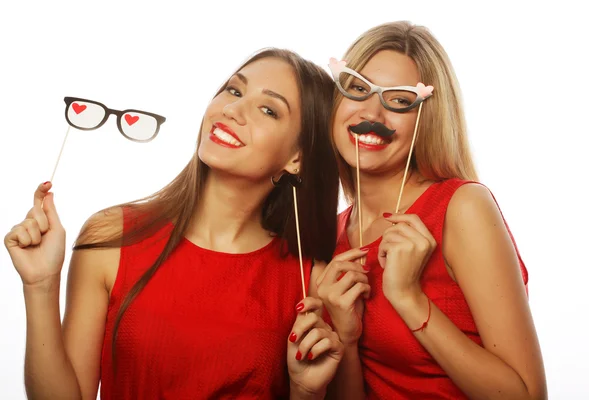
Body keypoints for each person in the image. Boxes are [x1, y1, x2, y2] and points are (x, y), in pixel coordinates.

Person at [5, 48, 343, 400]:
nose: (232, 110)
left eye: (268, 110)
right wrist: (41, 286)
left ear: (296, 157)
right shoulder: (112, 237)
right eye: (234, 91)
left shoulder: (310, 283)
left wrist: (306, 392)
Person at [316, 21, 547, 399]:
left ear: (428, 119)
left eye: (401, 100)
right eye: (358, 88)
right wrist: (346, 338)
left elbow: (527, 395)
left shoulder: (462, 207)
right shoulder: (329, 237)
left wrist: (410, 298)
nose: (372, 112)